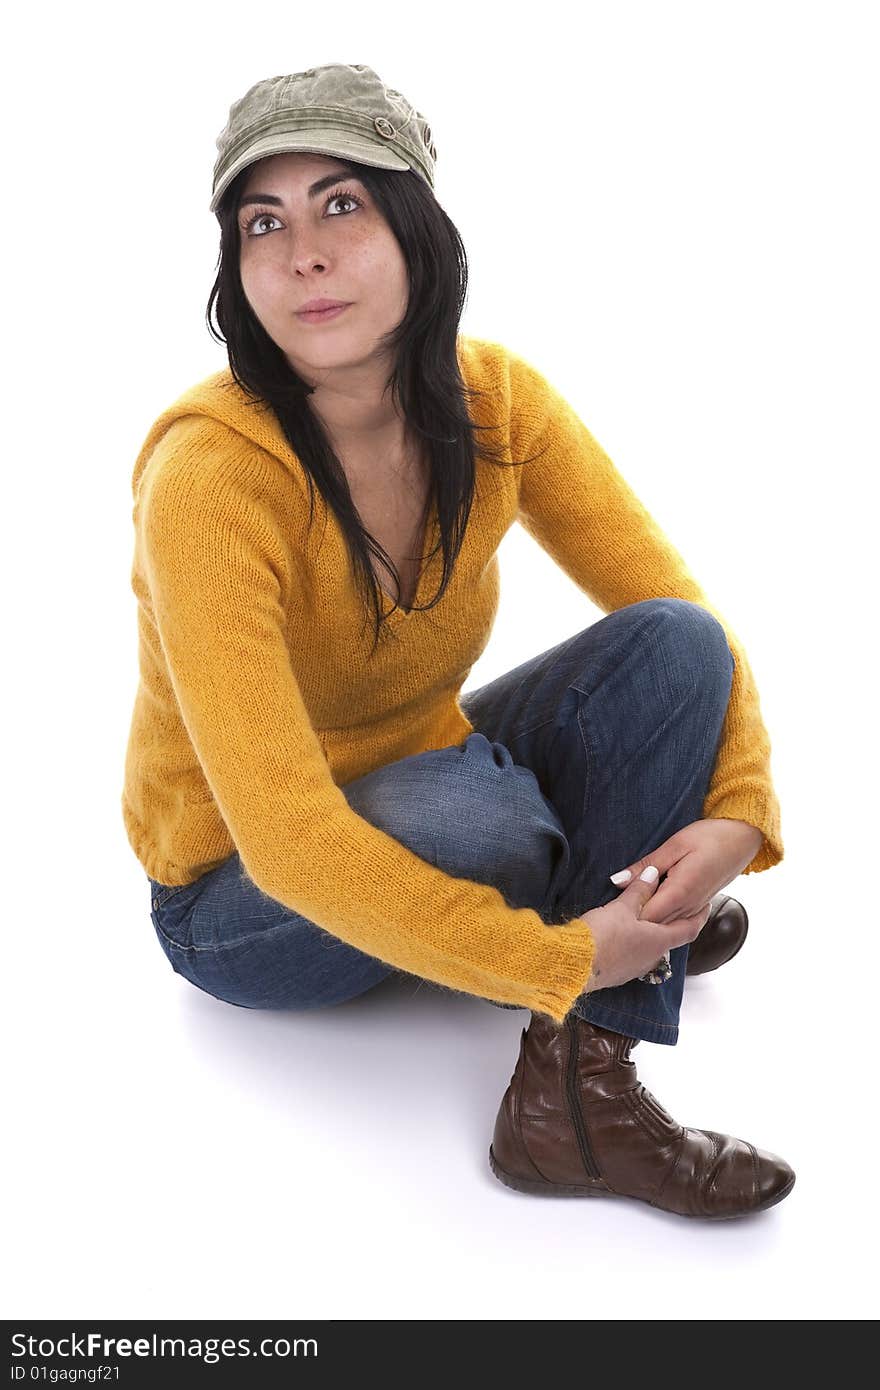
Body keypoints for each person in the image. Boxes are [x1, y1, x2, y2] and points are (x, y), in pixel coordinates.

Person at [121, 63, 795, 1219]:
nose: (303, 256)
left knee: (675, 647)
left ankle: (567, 1077)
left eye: (342, 205)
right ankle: (590, 986)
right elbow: (285, 840)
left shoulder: (497, 403)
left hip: (434, 768)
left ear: (418, 230)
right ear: (236, 269)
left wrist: (740, 806)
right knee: (491, 825)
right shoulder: (210, 479)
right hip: (241, 897)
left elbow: (674, 606)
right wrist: (563, 958)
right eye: (261, 224)